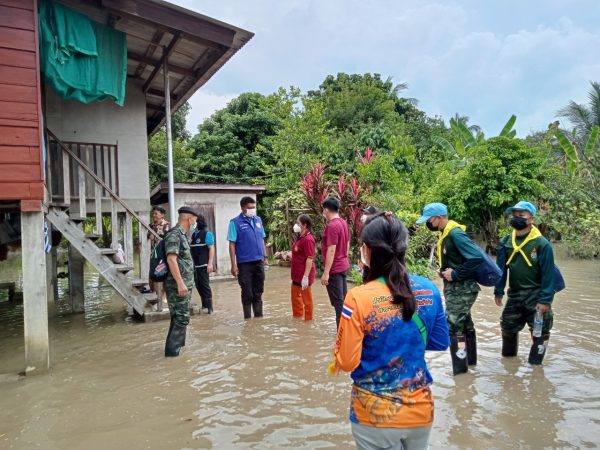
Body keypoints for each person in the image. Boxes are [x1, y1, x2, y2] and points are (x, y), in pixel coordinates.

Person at [332, 213, 449, 450]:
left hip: (374, 416)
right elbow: (439, 342)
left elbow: (346, 362)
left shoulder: (357, 298)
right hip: (421, 410)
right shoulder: (429, 289)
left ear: (367, 250)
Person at [417, 202, 483, 375]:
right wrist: (445, 271)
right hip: (457, 289)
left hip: (463, 289)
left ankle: (460, 377)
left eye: (429, 220)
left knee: (453, 326)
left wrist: (455, 274)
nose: (428, 224)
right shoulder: (446, 234)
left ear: (439, 218)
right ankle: (471, 365)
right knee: (465, 324)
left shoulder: (455, 234)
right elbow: (459, 260)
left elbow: (476, 258)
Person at [494, 201, 556, 365]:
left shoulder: (542, 244)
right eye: (514, 215)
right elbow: (501, 269)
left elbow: (548, 275)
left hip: (536, 295)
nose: (516, 218)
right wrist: (498, 291)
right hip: (514, 294)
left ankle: (535, 369)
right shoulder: (506, 242)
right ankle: (509, 365)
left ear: (532, 219)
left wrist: (545, 301)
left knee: (540, 331)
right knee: (507, 327)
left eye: (521, 215)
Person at [164, 206, 199, 357]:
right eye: (195, 219)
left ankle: (179, 351)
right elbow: (171, 259)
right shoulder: (174, 235)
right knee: (181, 318)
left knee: (179, 318)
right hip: (178, 286)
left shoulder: (182, 235)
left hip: (184, 285)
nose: (195, 222)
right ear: (188, 218)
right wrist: (180, 283)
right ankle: (172, 357)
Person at [228, 196, 268, 319]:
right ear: (243, 207)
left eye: (254, 208)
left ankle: (258, 319)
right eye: (250, 208)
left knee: (258, 292)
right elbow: (232, 244)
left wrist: (265, 257)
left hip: (258, 262)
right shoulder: (234, 222)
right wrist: (233, 264)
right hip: (244, 263)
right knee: (247, 292)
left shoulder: (258, 220)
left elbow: (262, 239)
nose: (252, 210)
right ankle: (247, 319)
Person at [321, 197, 351, 329]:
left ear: (327, 210)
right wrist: (344, 257)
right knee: (343, 300)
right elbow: (348, 243)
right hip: (343, 265)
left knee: (339, 303)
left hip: (335, 269)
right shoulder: (343, 223)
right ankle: (346, 330)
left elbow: (331, 249)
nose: (323, 213)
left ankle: (341, 334)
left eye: (324, 210)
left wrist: (326, 273)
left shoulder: (332, 226)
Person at [290, 214, 316, 320]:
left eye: (298, 223)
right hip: (296, 275)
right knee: (295, 299)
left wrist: (305, 277)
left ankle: (308, 322)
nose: (296, 225)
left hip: (304, 275)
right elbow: (298, 253)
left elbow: (310, 259)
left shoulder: (308, 239)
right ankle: (297, 320)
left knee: (307, 301)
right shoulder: (300, 237)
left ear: (304, 225)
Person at [190, 214, 215, 314]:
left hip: (204, 265)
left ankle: (210, 309)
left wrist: (210, 263)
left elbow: (211, 249)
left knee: (205, 286)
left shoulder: (207, 233)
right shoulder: (194, 234)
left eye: (194, 221)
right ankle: (204, 306)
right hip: (195, 266)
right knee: (198, 285)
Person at [148, 206, 170, 308]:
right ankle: (155, 295)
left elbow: (168, 240)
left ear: (162, 215)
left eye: (156, 214)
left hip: (162, 255)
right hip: (153, 255)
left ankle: (163, 296)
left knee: (161, 275)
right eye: (153, 214)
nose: (154, 215)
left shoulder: (166, 225)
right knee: (152, 276)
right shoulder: (151, 226)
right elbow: (147, 238)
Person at [359, 206, 380, 283]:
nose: (363, 215)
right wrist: (361, 260)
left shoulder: (378, 229)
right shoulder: (365, 227)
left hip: (375, 263)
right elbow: (362, 245)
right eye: (364, 213)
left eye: (366, 213)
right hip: (367, 263)